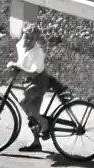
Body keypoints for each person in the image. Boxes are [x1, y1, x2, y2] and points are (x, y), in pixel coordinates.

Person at [8, 16, 58, 146]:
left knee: (26, 104)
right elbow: (21, 62)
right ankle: (36, 141)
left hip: (38, 81)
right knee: (31, 114)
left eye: (31, 37)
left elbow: (35, 71)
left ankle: (45, 124)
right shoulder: (21, 44)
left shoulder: (38, 52)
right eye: (26, 36)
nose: (28, 39)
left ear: (36, 39)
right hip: (29, 80)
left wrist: (18, 67)